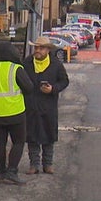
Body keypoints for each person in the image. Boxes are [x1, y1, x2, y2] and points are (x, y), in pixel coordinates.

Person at [0, 40, 33, 184]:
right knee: (18, 142)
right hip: (15, 113)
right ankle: (12, 171)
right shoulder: (15, 68)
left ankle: (1, 173)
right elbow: (29, 88)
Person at [20, 36, 68, 175]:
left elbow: (64, 81)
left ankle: (48, 164)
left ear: (48, 49)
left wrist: (53, 89)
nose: (38, 50)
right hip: (31, 106)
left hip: (48, 106)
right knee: (32, 136)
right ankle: (33, 164)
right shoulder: (27, 63)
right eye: (36, 47)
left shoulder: (55, 64)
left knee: (48, 135)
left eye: (41, 48)